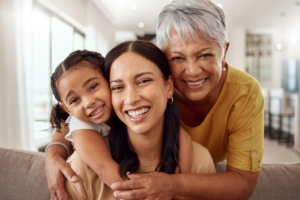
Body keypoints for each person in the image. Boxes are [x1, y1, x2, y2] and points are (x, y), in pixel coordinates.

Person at [111, 0, 264, 199]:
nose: (192, 71)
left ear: (224, 51)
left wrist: (173, 185)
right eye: (177, 58)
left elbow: (242, 183)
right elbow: (86, 104)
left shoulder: (245, 93)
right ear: (163, 58)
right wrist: (58, 147)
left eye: (205, 55)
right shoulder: (151, 91)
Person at [65, 40, 215, 199]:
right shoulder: (81, 169)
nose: (130, 99)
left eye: (143, 81)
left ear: (169, 87)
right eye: (117, 87)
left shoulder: (199, 161)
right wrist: (55, 149)